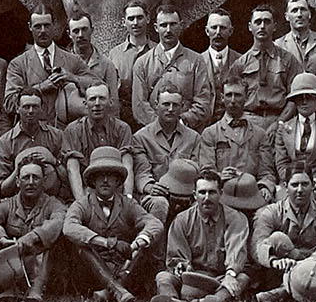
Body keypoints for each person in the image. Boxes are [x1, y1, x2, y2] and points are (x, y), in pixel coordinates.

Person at [62, 148, 162, 302]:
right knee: (80, 245)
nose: (105, 180)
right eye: (100, 176)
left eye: (111, 176)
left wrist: (137, 243)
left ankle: (112, 291)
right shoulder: (82, 204)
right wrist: (106, 242)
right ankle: (117, 290)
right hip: (91, 275)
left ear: (118, 181)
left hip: (123, 269)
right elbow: (69, 227)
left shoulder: (128, 204)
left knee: (145, 243)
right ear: (93, 180)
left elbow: (154, 223)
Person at [250, 169, 316, 302]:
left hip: (314, 268)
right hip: (284, 269)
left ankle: (281, 293)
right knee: (278, 238)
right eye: (294, 184)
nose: (300, 190)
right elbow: (258, 244)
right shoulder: (271, 212)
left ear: (312, 186)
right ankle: (289, 290)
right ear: (286, 187)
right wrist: (275, 261)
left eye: (305, 184)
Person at [153, 174, 251, 302]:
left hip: (221, 278)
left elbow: (237, 252)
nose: (206, 198)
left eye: (212, 192)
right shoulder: (182, 220)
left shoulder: (236, 218)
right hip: (191, 279)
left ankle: (215, 301)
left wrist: (230, 275)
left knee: (242, 278)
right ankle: (172, 300)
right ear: (194, 195)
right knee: (163, 276)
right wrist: (181, 267)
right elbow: (176, 257)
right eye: (202, 192)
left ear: (221, 194)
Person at [0, 158, 66, 302]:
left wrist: (32, 237)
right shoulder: (8, 205)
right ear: (17, 182)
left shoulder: (53, 204)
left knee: (52, 241)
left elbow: (59, 220)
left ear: (44, 181)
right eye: (25, 177)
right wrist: (2, 240)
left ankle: (37, 288)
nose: (30, 182)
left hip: (44, 268)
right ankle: (9, 287)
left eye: (35, 177)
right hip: (14, 264)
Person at [130, 4, 214, 128]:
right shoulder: (142, 63)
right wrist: (158, 125)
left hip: (187, 132)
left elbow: (204, 101)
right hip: (152, 135)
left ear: (181, 25)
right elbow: (139, 105)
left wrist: (182, 122)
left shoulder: (196, 61)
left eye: (173, 24)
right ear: (156, 28)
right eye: (163, 25)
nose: (168, 30)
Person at [7, 11, 93, 124]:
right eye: (38, 26)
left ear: (54, 25)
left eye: (47, 25)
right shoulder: (18, 64)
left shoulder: (72, 59)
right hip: (34, 132)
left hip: (67, 133)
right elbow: (9, 103)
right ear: (30, 27)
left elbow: (98, 85)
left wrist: (73, 78)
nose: (43, 31)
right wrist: (41, 87)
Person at [271, 76, 316, 209]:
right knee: (283, 204)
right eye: (299, 97)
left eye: (309, 97)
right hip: (291, 181)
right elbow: (281, 163)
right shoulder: (284, 129)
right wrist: (293, 181)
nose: (304, 102)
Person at [132, 85, 202, 222]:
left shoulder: (194, 138)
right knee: (159, 204)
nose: (170, 109)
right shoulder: (141, 138)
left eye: (175, 105)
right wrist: (149, 187)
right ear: (156, 105)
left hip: (186, 194)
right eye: (166, 104)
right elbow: (141, 172)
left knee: (201, 204)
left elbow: (198, 171)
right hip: (154, 194)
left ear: (182, 107)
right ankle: (153, 241)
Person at [197, 80, 275, 200]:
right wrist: (220, 176)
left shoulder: (260, 134)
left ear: (247, 97)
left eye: (238, 95)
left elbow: (267, 173)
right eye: (229, 95)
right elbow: (206, 172)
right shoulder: (210, 133)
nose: (233, 100)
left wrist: (265, 187)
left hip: (251, 196)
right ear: (222, 98)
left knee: (264, 216)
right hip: (221, 195)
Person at [63, 83, 137, 202]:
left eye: (102, 98)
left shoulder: (123, 129)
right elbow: (73, 169)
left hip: (116, 189)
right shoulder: (73, 130)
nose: (97, 103)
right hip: (87, 189)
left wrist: (128, 198)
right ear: (85, 104)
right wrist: (82, 203)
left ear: (111, 102)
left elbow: (127, 164)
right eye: (92, 99)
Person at [0, 92, 65, 199]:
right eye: (26, 107)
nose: (31, 111)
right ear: (17, 109)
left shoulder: (56, 136)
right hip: (18, 201)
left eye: (35, 107)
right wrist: (18, 169)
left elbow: (68, 179)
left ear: (41, 109)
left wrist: (54, 161)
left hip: (52, 200)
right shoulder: (6, 142)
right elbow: (3, 189)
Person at [236, 5, 296, 119]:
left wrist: (280, 122)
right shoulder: (240, 63)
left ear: (274, 26)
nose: (262, 26)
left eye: (267, 22)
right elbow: (232, 98)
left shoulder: (288, 60)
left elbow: (295, 97)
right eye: (258, 22)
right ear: (250, 26)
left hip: (280, 119)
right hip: (249, 120)